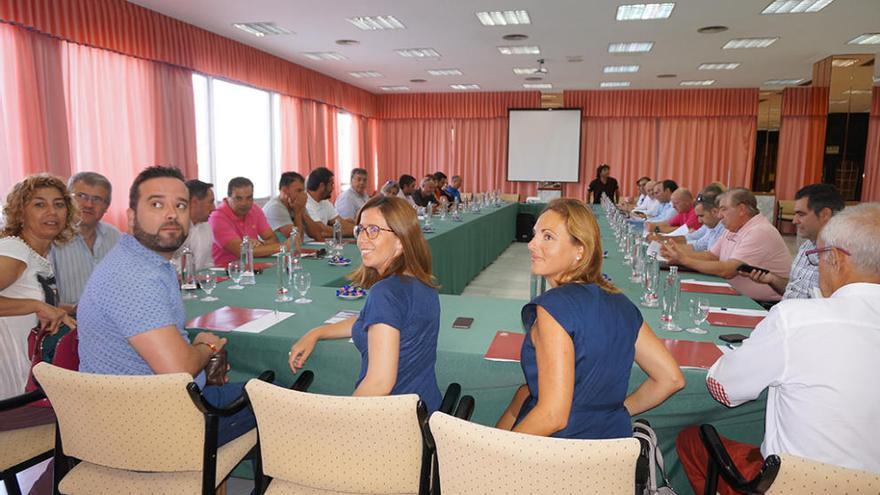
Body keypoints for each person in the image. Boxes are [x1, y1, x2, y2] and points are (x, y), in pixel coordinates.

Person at [676, 203, 880, 494]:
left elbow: (724, 388)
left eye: (817, 257)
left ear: (836, 259)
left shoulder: (797, 319)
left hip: (799, 484)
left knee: (691, 440)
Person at [78, 165, 256, 447]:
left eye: (180, 205)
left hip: (134, 414)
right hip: (148, 431)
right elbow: (177, 369)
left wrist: (197, 355)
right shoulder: (133, 276)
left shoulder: (146, 262)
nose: (172, 214)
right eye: (157, 204)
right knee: (283, 404)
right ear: (131, 217)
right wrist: (206, 347)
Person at [495, 199, 684, 438]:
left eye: (548, 237)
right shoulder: (623, 304)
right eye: (535, 235)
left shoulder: (554, 309)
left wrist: (501, 456)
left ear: (580, 250)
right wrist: (614, 412)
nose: (532, 245)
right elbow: (671, 379)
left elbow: (552, 416)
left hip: (557, 454)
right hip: (611, 451)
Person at [288, 195, 443, 411]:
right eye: (360, 229)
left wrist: (340, 418)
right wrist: (317, 332)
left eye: (373, 230)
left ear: (400, 239)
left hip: (390, 422)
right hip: (425, 410)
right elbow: (370, 321)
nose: (362, 239)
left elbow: (379, 384)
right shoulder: (423, 282)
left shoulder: (385, 293)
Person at [0, 175, 78, 399]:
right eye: (39, 204)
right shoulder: (15, 251)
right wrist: (35, 305)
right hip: (8, 381)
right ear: (20, 213)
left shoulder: (35, 256)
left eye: (59, 204)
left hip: (24, 376)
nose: (52, 212)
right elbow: (30, 304)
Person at [661, 188, 792, 303]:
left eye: (723, 209)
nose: (719, 215)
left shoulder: (759, 231)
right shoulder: (733, 228)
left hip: (759, 305)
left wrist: (684, 260)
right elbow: (711, 256)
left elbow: (728, 270)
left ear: (742, 209)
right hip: (737, 296)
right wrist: (678, 253)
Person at [746, 183, 844, 299]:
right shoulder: (807, 246)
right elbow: (795, 290)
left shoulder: (844, 256)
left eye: (801, 214)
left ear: (825, 214)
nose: (794, 221)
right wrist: (771, 279)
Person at [50, 172, 120, 307]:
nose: (89, 204)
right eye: (81, 196)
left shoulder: (115, 236)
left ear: (107, 207)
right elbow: (42, 295)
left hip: (111, 319)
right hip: (66, 321)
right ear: (67, 200)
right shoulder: (53, 238)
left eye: (97, 199)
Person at [208, 177, 281, 267]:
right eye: (238, 199)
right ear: (228, 198)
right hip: (225, 272)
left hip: (251, 267)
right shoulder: (217, 217)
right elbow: (242, 252)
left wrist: (260, 244)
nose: (244, 203)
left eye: (249, 198)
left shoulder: (254, 209)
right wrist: (282, 247)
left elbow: (273, 239)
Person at [263, 172, 328, 245]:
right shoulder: (275, 207)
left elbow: (318, 235)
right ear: (285, 191)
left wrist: (302, 210)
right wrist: (298, 213)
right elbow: (297, 241)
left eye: (303, 191)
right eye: (299, 191)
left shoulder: (297, 204)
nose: (303, 195)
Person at [174, 179, 215, 271]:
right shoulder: (173, 227)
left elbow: (208, 264)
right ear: (194, 202)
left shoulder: (206, 226)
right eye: (211, 202)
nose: (214, 208)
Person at [305, 167, 355, 236]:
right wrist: (354, 232)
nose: (333, 188)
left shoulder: (325, 202)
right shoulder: (305, 203)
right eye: (331, 184)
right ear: (322, 186)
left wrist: (358, 229)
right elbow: (322, 230)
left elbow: (340, 223)